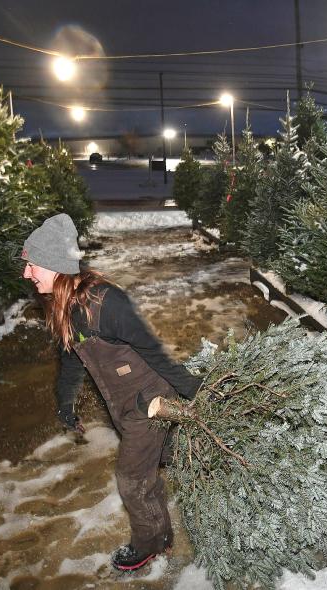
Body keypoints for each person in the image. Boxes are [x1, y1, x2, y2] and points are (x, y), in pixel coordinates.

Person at [21, 213, 201, 571]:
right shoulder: (64, 305)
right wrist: (65, 403)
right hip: (122, 403)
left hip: (148, 402)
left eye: (31, 265)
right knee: (161, 461)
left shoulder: (106, 303)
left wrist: (200, 394)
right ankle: (164, 531)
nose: (26, 274)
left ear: (55, 265)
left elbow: (155, 353)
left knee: (132, 479)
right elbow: (71, 358)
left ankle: (149, 544)